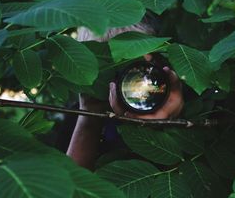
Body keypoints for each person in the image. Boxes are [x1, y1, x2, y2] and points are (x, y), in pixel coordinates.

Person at [66, 19, 184, 170]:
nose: (128, 81)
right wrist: (89, 117)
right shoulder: (75, 116)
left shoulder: (172, 97)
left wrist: (171, 121)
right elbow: (69, 185)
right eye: (113, 72)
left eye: (138, 68)